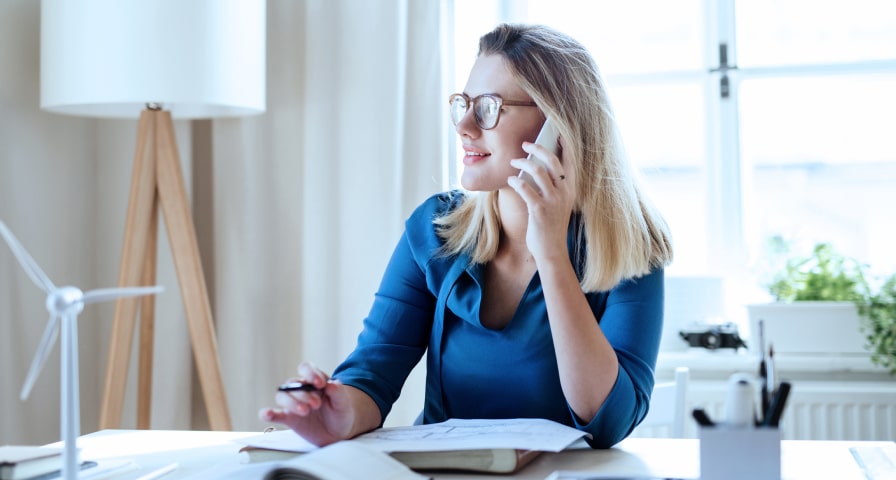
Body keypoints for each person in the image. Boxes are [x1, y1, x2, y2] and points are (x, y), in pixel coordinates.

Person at [259, 23, 673, 449]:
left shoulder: (633, 246)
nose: (465, 126)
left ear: (558, 126)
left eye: (490, 107)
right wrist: (338, 411)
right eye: (464, 104)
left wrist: (550, 253)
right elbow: (374, 371)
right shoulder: (434, 229)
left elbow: (608, 421)